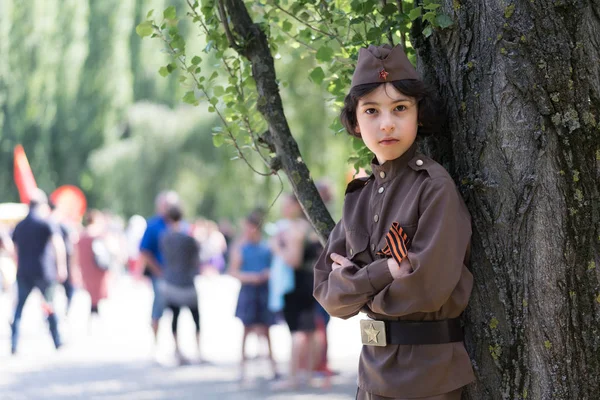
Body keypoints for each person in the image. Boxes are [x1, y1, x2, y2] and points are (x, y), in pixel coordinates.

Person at [313, 44, 475, 400]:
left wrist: (357, 283)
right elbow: (328, 294)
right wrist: (387, 270)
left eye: (400, 108)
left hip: (427, 378)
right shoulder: (359, 197)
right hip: (371, 374)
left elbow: (426, 290)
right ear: (356, 123)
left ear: (419, 115)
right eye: (371, 110)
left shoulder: (434, 188)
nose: (387, 123)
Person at [271, 194, 321, 389]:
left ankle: (292, 378)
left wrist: (276, 247)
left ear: (295, 206)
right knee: (309, 330)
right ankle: (307, 375)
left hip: (296, 284)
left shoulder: (294, 230)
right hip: (310, 282)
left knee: (297, 332)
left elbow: (293, 260)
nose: (282, 208)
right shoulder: (309, 227)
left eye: (285, 204)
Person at [10, 189, 67, 355]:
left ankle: (13, 344)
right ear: (42, 204)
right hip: (44, 272)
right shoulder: (46, 223)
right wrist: (61, 267)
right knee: (49, 305)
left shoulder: (19, 226)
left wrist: (18, 265)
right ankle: (57, 341)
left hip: (24, 273)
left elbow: (15, 250)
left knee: (19, 309)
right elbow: (58, 245)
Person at [230, 210, 278, 383]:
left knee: (266, 329)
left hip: (263, 290)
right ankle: (242, 368)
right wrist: (251, 277)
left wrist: (266, 274)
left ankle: (273, 366)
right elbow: (234, 271)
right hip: (249, 290)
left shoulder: (266, 247)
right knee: (246, 329)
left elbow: (274, 267)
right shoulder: (240, 248)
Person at [158, 204, 203, 365]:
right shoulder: (189, 239)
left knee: (175, 317)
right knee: (196, 318)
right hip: (187, 282)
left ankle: (177, 350)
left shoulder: (164, 238)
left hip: (172, 282)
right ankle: (198, 351)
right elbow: (197, 260)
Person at [139, 191, 180, 349]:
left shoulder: (179, 224)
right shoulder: (153, 225)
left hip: (177, 275)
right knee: (158, 309)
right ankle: (156, 346)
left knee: (176, 310)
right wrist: (158, 270)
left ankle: (176, 347)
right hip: (161, 275)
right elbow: (145, 251)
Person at [76, 210, 111, 325]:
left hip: (86, 269)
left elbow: (75, 254)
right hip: (98, 269)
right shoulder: (99, 234)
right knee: (99, 295)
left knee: (91, 295)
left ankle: (92, 318)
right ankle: (98, 319)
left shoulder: (82, 235)